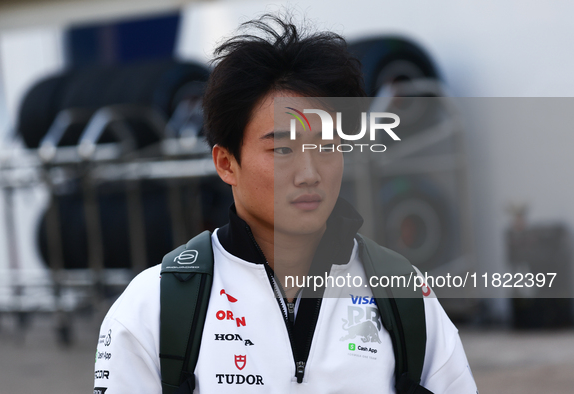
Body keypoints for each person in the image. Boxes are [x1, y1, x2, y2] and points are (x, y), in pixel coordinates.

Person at [93, 14, 478, 394]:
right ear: (226, 163)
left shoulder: (403, 294)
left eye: (327, 146)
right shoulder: (154, 307)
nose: (309, 172)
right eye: (281, 148)